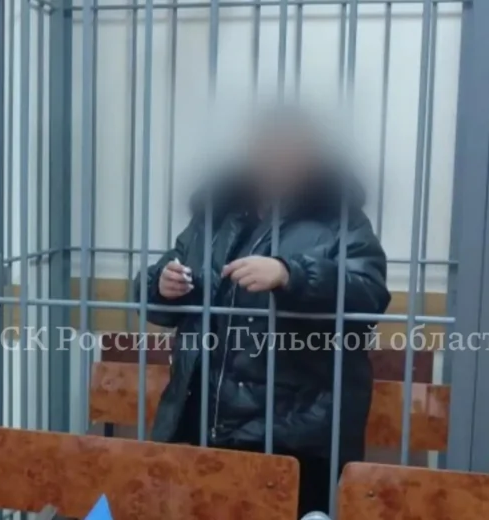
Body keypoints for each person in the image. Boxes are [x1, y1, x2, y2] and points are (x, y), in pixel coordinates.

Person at [134, 108, 391, 516]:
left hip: (295, 432)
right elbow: (163, 281)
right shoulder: (215, 215)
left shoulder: (341, 220)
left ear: (312, 158)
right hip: (204, 421)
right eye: (265, 149)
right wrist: (161, 286)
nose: (275, 159)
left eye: (289, 150)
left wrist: (291, 274)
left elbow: (369, 295)